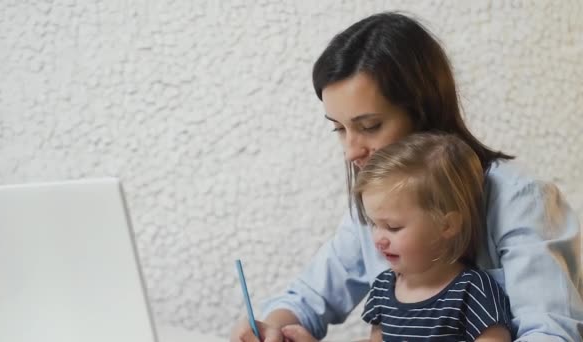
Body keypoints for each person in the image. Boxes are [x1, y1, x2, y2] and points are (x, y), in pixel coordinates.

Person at [230, 11, 582, 342]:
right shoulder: (377, 210)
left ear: (423, 112)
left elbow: (549, 330)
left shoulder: (519, 198)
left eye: (369, 126)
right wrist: (273, 326)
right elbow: (310, 296)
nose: (351, 151)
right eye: (339, 129)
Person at [355, 132, 512, 341]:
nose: (379, 239)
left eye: (393, 227)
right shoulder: (383, 289)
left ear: (446, 225)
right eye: (374, 224)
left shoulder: (471, 290)